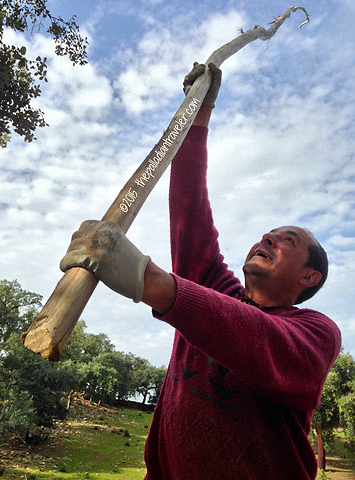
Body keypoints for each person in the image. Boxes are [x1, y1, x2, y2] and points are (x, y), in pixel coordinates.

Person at [60, 63, 342, 479]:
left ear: (309, 277)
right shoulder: (217, 290)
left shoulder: (317, 333)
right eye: (269, 232)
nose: (268, 236)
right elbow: (191, 212)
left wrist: (147, 278)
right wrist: (199, 112)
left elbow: (261, 340)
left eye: (288, 240)